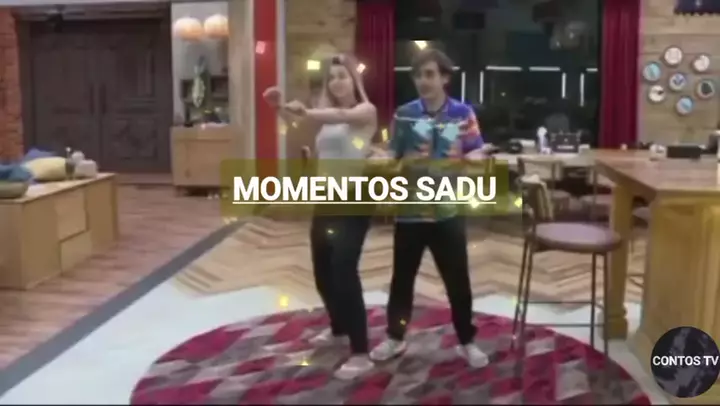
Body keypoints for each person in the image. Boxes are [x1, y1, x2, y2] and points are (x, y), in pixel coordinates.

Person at [369, 48, 491, 368]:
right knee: (402, 279)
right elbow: (393, 153)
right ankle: (395, 338)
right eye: (418, 75)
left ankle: (466, 341)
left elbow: (474, 149)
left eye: (429, 74)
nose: (423, 81)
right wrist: (380, 158)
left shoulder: (462, 113)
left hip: (448, 211)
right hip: (410, 211)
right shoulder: (404, 114)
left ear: (444, 78)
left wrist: (478, 156)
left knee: (457, 281)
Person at [263, 54, 377, 380]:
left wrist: (306, 111)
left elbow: (340, 114)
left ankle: (361, 353)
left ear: (354, 80)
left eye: (342, 76)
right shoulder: (326, 118)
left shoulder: (365, 111)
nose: (336, 82)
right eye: (332, 77)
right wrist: (279, 106)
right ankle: (338, 329)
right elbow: (297, 125)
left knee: (344, 269)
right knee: (322, 271)